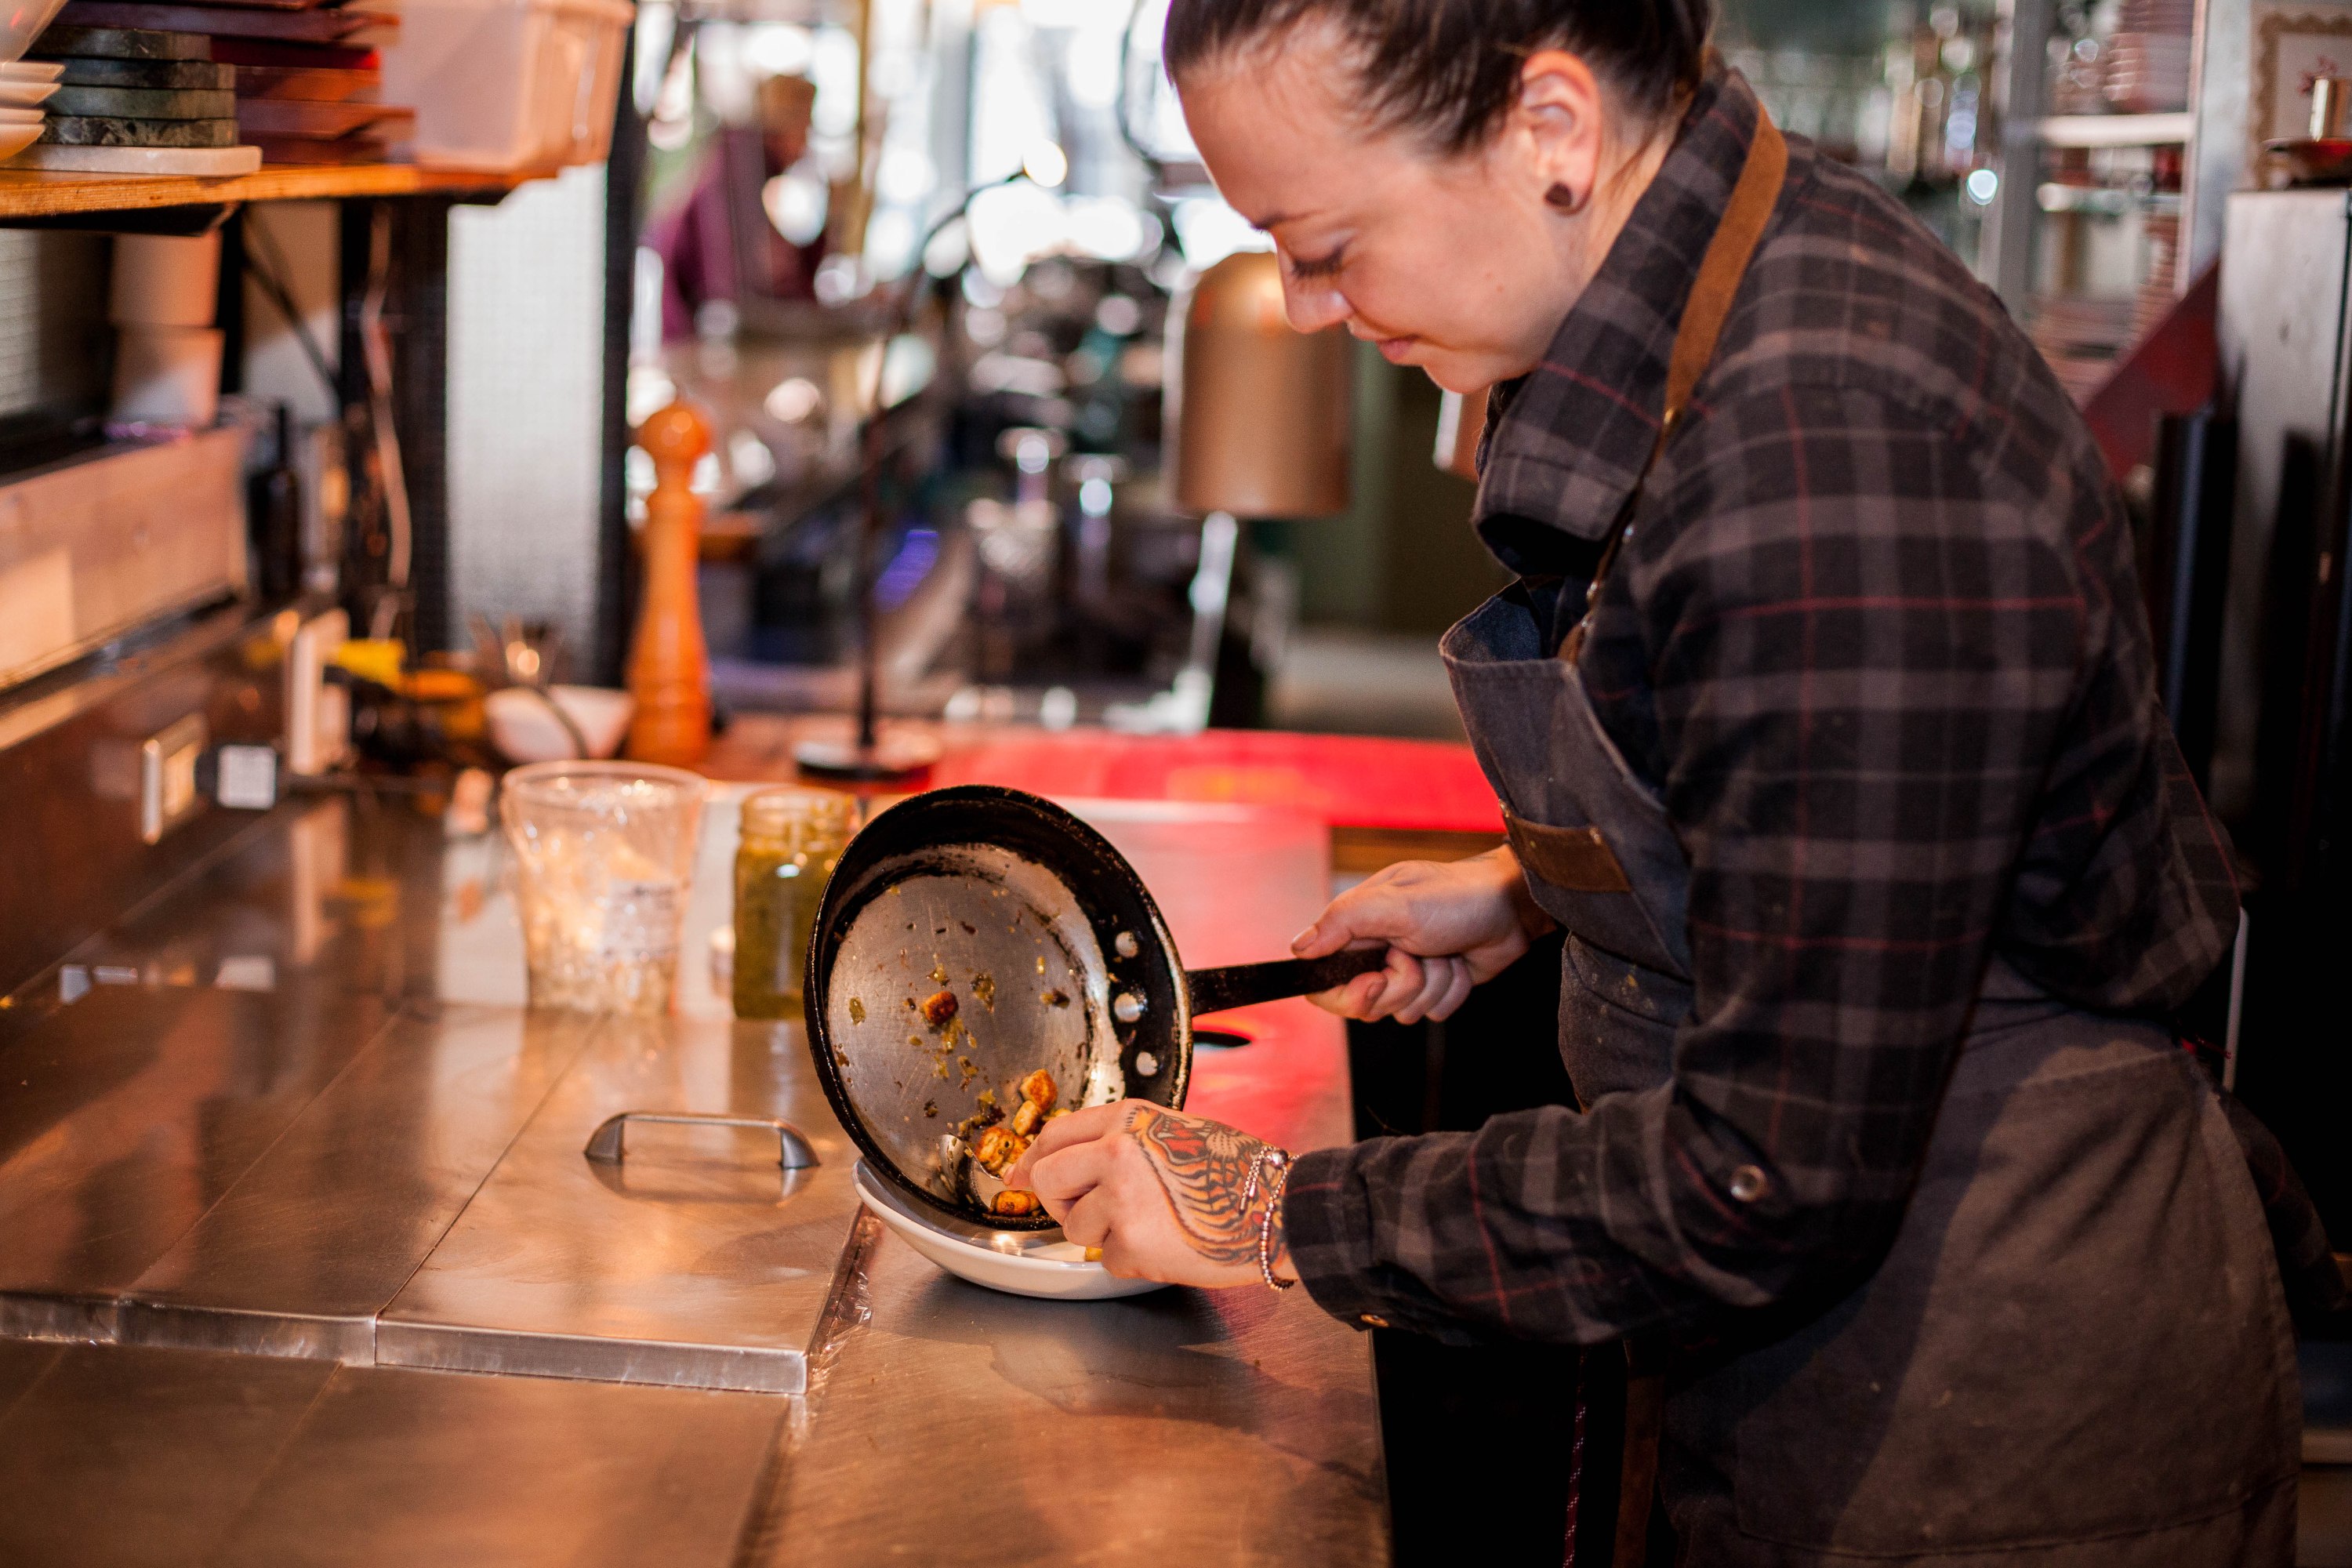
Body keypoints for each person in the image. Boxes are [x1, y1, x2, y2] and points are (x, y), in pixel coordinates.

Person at [1006, 1, 2308, 1561]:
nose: (1299, 307)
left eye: (1327, 243)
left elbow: (1764, 1178)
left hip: (1996, 1424)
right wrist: (1539, 885)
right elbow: (1828, 791)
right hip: (1805, 1366)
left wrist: (1272, 1211)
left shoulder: (1827, 448)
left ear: (1552, 130)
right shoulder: (1718, 286)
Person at [648, 72, 828, 339]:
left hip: (701, 342)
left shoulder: (750, 170)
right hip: (694, 349)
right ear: (783, 123)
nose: (808, 141)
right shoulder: (739, 173)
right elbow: (733, 296)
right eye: (806, 125)